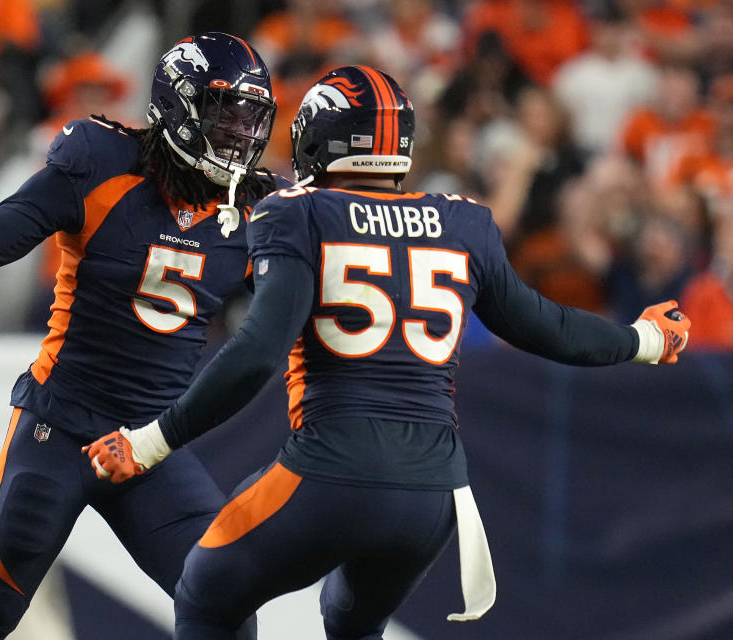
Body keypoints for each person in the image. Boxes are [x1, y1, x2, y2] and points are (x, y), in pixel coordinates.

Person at [83, 65, 692, 639]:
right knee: (348, 621)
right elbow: (547, 328)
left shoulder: (299, 213)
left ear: (319, 141)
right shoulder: (463, 223)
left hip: (328, 471)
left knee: (204, 595)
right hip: (430, 496)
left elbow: (254, 354)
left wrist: (150, 442)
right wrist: (643, 338)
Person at [0, 32, 280, 639]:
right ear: (178, 107)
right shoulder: (101, 162)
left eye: (250, 120)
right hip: (59, 424)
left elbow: (300, 313)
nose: (240, 137)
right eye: (225, 117)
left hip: (150, 442)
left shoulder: (263, 209)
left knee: (226, 613)